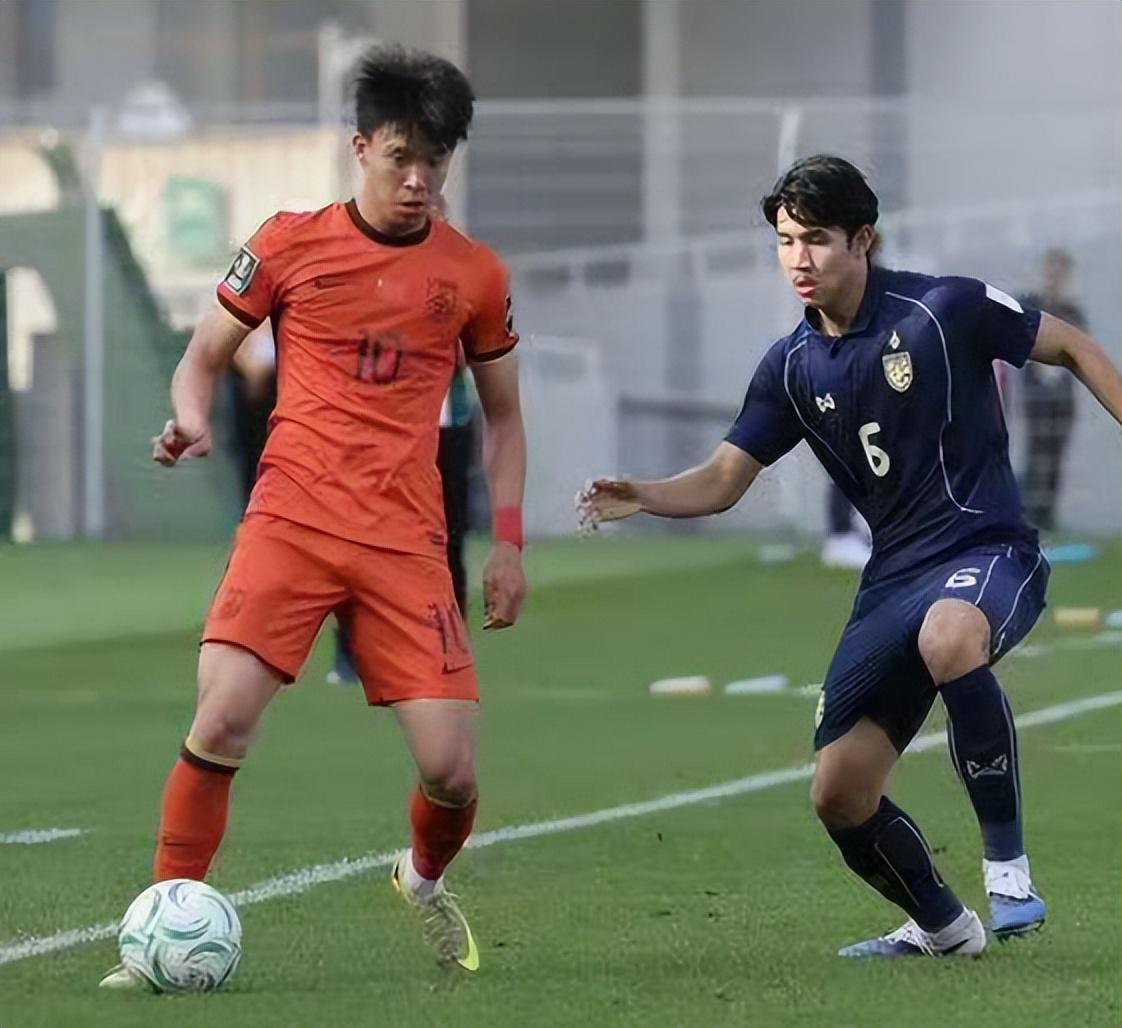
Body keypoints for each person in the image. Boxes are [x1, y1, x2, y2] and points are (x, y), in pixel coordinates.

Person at [578, 155, 1121, 958]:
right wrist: (645, 494)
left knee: (949, 635)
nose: (798, 259)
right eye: (786, 241)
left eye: (818, 240)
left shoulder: (944, 308)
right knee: (840, 793)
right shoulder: (791, 366)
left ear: (864, 240)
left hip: (987, 548)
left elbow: (1071, 344)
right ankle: (945, 929)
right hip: (893, 577)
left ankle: (1008, 870)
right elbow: (725, 479)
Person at [101, 45, 527, 988]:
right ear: (360, 147)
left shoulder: (474, 275)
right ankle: (157, 932)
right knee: (222, 718)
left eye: (435, 162)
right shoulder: (290, 243)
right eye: (400, 157)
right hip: (290, 523)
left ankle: (422, 878)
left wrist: (507, 543)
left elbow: (503, 419)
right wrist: (190, 417)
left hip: (406, 543)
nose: (418, 180)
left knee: (452, 773)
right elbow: (203, 355)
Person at [330, 355, 476, 684]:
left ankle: (449, 647)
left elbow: (468, 349)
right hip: (378, 422)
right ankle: (353, 650)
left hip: (444, 422)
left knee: (448, 540)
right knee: (361, 535)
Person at [1018, 249, 1086, 532]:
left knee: (1056, 451)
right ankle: (1031, 511)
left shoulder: (1072, 311)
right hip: (1037, 392)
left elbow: (1082, 350)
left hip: (1062, 393)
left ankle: (1047, 513)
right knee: (1037, 449)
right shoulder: (1030, 303)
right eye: (1051, 269)